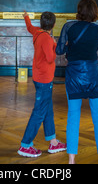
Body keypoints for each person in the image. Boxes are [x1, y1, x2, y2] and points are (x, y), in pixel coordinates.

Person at [56, 0, 98, 164]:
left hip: (75, 74)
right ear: (94, 12)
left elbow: (59, 50)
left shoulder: (69, 27)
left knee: (73, 115)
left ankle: (71, 159)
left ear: (79, 10)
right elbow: (95, 49)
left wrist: (68, 46)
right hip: (94, 73)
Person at [17, 11, 67, 158]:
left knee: (47, 110)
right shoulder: (46, 38)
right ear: (54, 25)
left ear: (41, 23)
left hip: (40, 77)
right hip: (44, 79)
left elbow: (29, 27)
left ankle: (53, 142)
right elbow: (51, 58)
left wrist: (26, 16)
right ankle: (25, 145)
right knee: (39, 112)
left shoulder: (37, 32)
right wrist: (54, 44)